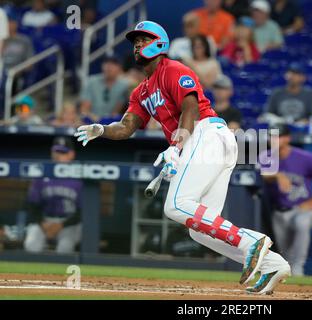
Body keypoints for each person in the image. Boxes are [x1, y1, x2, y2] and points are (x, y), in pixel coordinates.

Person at [74, 20, 290, 295]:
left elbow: (191, 108)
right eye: (136, 41)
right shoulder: (140, 92)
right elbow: (127, 127)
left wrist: (178, 144)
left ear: (160, 43)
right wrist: (102, 129)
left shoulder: (173, 69)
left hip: (206, 133)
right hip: (207, 143)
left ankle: (252, 242)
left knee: (175, 205)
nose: (138, 45)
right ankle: (274, 264)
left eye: (144, 39)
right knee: (199, 229)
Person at [259, 123, 312, 275]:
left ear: (287, 138)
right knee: (285, 255)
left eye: (278, 137)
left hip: (302, 209)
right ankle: (291, 283)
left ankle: (299, 268)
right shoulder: (266, 156)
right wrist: (278, 175)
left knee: (301, 223)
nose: (274, 140)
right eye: (271, 137)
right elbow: (265, 176)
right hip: (280, 211)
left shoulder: (305, 157)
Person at [24, 137, 82, 254]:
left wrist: (61, 225)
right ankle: (35, 273)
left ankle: (59, 273)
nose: (58, 155)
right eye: (56, 151)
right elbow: (32, 205)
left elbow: (83, 212)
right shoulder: (41, 175)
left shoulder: (79, 177)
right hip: (45, 221)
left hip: (69, 223)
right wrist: (43, 223)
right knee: (31, 245)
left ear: (71, 155)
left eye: (62, 152)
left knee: (65, 248)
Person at [79, 55, 130, 121]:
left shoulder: (124, 85)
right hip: (90, 121)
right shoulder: (92, 81)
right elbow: (84, 109)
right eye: (106, 63)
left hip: (112, 122)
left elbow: (116, 111)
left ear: (120, 68)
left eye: (113, 64)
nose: (109, 66)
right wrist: (95, 119)